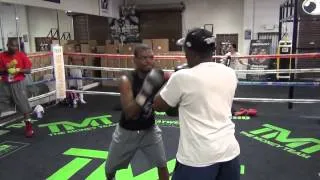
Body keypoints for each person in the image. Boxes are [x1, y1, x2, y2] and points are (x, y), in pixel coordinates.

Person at [153, 28, 241, 180]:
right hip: (229, 152)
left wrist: (168, 78)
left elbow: (158, 105)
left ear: (190, 53)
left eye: (185, 50)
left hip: (197, 158)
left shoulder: (182, 77)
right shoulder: (229, 73)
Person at [105, 44, 169, 180]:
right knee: (110, 169)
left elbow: (174, 77)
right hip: (127, 132)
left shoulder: (157, 74)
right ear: (134, 60)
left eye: (151, 57)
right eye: (144, 58)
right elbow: (130, 113)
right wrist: (146, 90)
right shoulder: (126, 80)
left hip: (149, 130)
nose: (148, 61)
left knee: (162, 165)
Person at [0, 39, 34, 137]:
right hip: (4, 84)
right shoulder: (2, 56)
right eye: (12, 46)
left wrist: (18, 70)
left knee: (24, 106)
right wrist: (6, 70)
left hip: (18, 83)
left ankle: (29, 127)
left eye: (16, 46)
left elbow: (28, 70)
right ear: (7, 45)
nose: (14, 48)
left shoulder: (21, 55)